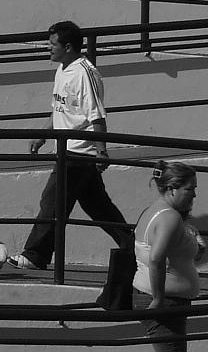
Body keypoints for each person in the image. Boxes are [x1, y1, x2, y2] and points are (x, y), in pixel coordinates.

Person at [100, 162, 204, 352]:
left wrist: (192, 244)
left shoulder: (154, 211)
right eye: (190, 189)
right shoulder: (170, 217)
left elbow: (162, 252)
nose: (194, 195)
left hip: (166, 299)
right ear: (172, 189)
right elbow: (157, 259)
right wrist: (158, 298)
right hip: (164, 302)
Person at [12, 20, 132, 271]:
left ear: (68, 47)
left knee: (52, 202)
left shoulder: (84, 73)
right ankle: (135, 250)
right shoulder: (63, 69)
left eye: (52, 45)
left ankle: (35, 255)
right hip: (68, 149)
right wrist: (43, 134)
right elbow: (59, 108)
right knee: (100, 209)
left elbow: (96, 116)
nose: (48, 49)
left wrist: (101, 151)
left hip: (78, 153)